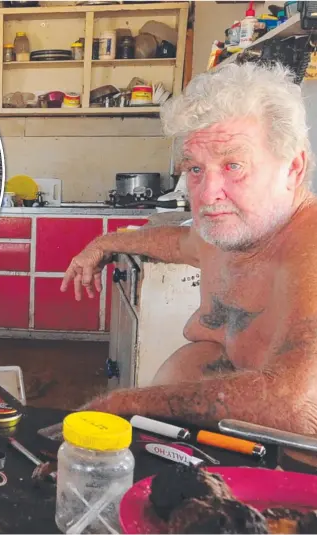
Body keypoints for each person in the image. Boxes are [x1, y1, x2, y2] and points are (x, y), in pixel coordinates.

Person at [61, 62, 317, 437]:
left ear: (293, 169)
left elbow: (297, 403)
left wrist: (125, 403)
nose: (208, 195)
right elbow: (182, 242)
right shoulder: (237, 229)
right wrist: (103, 243)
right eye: (195, 170)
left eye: (233, 165)